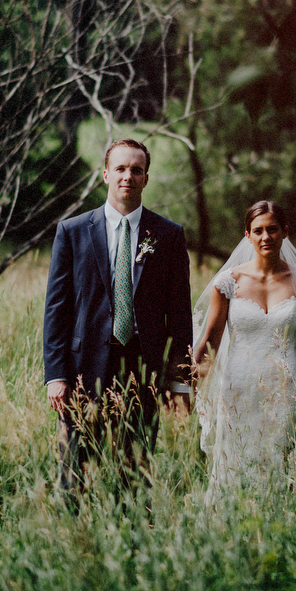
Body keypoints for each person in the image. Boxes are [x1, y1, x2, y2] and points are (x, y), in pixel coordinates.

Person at [43, 138, 193, 495]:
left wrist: (179, 382)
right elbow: (56, 309)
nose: (128, 176)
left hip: (144, 368)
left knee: (135, 473)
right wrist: (55, 375)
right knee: (74, 471)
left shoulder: (168, 236)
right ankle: (75, 541)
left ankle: (132, 542)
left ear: (145, 178)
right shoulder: (73, 231)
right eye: (121, 168)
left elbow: (180, 315)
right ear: (106, 174)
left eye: (136, 170)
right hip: (83, 369)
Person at [191, 201, 296, 503]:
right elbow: (210, 341)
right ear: (247, 236)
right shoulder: (228, 283)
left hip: (285, 388)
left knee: (282, 463)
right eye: (258, 231)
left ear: (285, 233)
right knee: (235, 462)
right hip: (238, 389)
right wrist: (188, 384)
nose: (265, 236)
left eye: (272, 229)